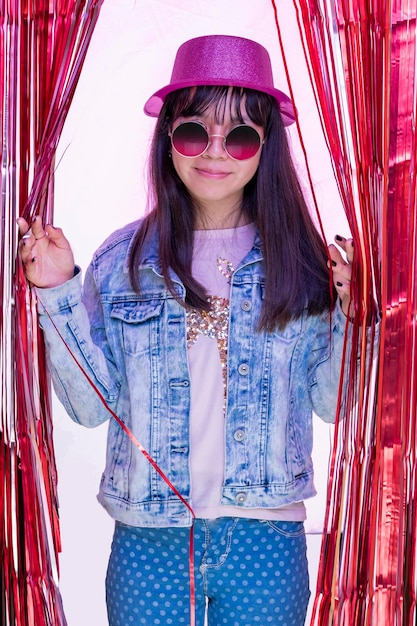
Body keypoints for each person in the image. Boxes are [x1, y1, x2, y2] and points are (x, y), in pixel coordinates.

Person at [18, 34, 354, 626]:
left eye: (242, 135)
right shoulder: (123, 260)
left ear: (265, 147)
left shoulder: (303, 264)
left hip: (264, 537)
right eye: (195, 130)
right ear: (169, 138)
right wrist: (57, 290)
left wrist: (357, 311)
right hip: (150, 538)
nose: (215, 152)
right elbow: (91, 410)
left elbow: (333, 400)